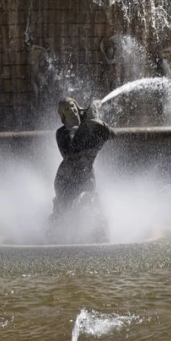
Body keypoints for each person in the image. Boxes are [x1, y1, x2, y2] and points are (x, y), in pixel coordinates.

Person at [48, 98, 115, 242]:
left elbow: (110, 135)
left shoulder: (89, 127)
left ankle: (97, 237)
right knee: (66, 212)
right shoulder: (61, 133)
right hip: (66, 179)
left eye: (72, 106)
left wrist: (94, 119)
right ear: (63, 116)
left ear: (77, 108)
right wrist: (91, 122)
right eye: (67, 109)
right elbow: (72, 151)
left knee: (91, 204)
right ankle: (60, 240)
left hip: (87, 174)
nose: (71, 110)